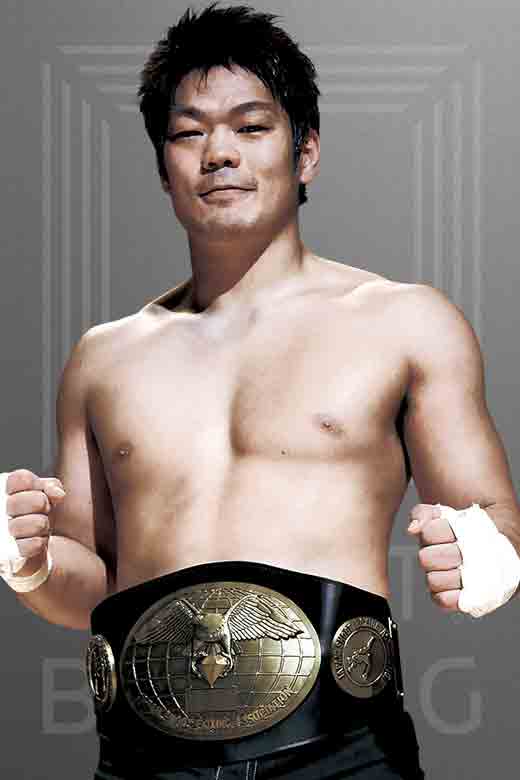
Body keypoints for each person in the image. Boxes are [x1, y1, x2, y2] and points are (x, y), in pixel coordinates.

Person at [2, 3, 520, 778]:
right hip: (143, 763)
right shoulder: (102, 358)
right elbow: (91, 588)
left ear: (305, 152)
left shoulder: (405, 322)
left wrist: (483, 557)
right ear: (163, 167)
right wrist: (28, 559)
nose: (219, 154)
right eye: (188, 133)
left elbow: (494, 517)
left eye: (251, 127)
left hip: (342, 756)